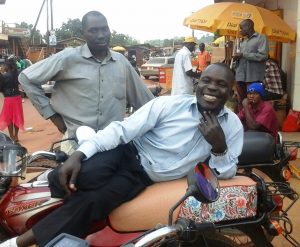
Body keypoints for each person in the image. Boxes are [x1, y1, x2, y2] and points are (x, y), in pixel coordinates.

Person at [1, 63, 244, 247]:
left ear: (230, 91)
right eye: (207, 81)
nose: (212, 87)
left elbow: (227, 172)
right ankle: (83, 148)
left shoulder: (232, 126)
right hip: (126, 152)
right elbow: (123, 130)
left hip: (143, 177)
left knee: (93, 202)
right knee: (76, 177)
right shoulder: (168, 105)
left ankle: (17, 243)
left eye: (221, 84)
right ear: (197, 84)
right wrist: (78, 155)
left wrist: (219, 147)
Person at [19, 11, 154, 154]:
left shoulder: (121, 62)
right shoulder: (68, 58)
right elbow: (26, 78)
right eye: (93, 31)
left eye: (104, 29)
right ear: (83, 34)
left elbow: (146, 102)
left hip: (113, 144)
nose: (101, 35)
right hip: (76, 144)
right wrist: (52, 115)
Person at [233, 19, 269, 107]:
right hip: (240, 76)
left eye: (241, 28)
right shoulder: (243, 42)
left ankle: (253, 120)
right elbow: (241, 57)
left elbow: (263, 56)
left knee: (253, 103)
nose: (240, 30)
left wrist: (243, 54)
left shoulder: (261, 38)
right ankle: (241, 119)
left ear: (248, 26)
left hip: (253, 77)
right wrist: (236, 58)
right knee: (241, 101)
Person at [0, 59, 24, 142]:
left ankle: (12, 136)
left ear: (8, 66)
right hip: (17, 98)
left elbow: (1, 88)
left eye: (4, 65)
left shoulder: (5, 76)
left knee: (9, 118)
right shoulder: (17, 74)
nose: (3, 66)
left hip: (9, 98)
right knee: (17, 117)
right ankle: (16, 136)